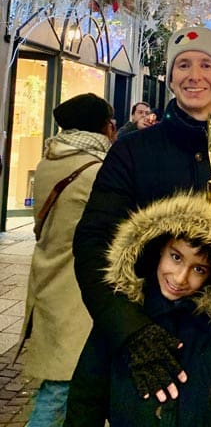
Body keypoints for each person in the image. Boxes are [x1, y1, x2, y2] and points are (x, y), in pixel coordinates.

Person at [73, 25, 211, 406]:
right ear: (170, 79)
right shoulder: (133, 152)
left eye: (206, 65)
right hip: (145, 334)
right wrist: (131, 332)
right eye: (183, 65)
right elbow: (92, 244)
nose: (194, 75)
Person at [66, 192, 211, 427]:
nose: (180, 277)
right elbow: (86, 398)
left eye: (199, 270)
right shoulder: (124, 316)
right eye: (176, 257)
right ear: (159, 249)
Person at [16, 93, 115, 427]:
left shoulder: (50, 160)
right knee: (60, 388)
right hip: (74, 287)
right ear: (103, 126)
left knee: (65, 385)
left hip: (49, 276)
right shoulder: (94, 169)